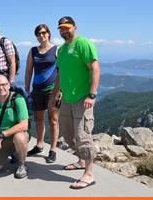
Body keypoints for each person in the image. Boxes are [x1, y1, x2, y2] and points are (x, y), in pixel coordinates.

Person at [49, 16, 100, 189]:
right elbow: (60, 74)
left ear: (74, 27)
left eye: (67, 27)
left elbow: (94, 67)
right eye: (61, 28)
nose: (64, 31)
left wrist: (91, 95)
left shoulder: (83, 43)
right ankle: (81, 161)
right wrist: (55, 94)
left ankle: (89, 174)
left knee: (83, 136)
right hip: (66, 99)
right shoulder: (62, 50)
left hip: (82, 99)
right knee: (68, 134)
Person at [24, 24, 59, 163]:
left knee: (53, 120)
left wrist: (59, 90)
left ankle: (53, 149)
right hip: (37, 90)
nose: (41, 36)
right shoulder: (33, 51)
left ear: (49, 33)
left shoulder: (57, 50)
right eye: (38, 34)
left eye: (44, 33)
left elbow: (62, 70)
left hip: (53, 90)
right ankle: (39, 145)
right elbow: (28, 71)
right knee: (38, 120)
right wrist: (27, 88)